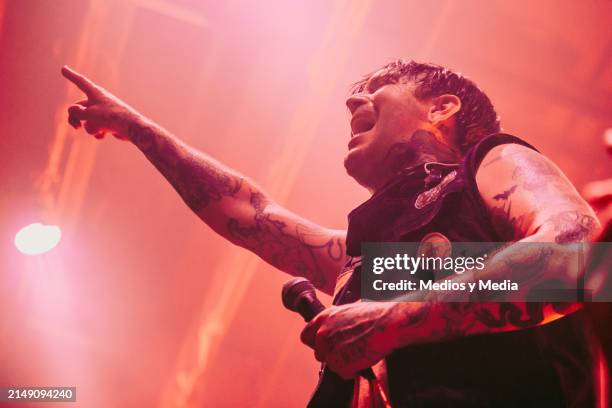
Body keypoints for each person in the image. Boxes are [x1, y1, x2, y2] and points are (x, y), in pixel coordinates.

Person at [62, 60, 602, 407]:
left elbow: (574, 257)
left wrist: (393, 319)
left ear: (442, 108)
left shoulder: (490, 167)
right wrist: (142, 131)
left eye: (379, 89)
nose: (351, 103)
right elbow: (252, 214)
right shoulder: (373, 260)